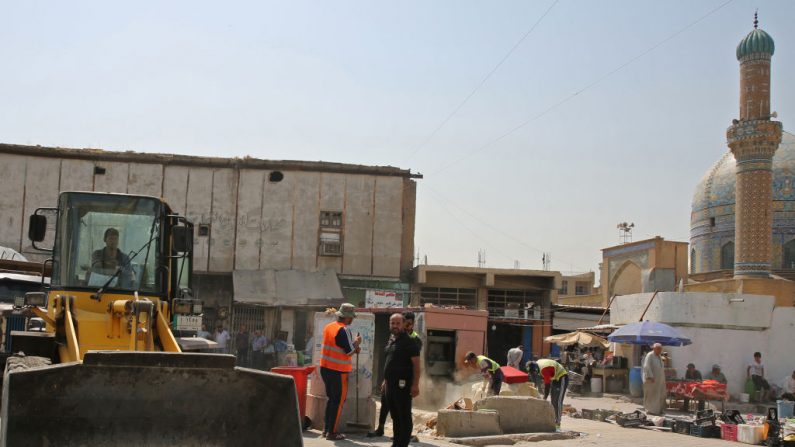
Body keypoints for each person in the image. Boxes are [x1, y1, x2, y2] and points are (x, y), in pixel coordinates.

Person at [369, 311, 423, 439]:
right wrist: (385, 379)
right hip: (390, 381)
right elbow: (390, 360)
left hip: (403, 382)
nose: (406, 326)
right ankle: (381, 428)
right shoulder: (394, 337)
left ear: (411, 324)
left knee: (403, 409)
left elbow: (414, 364)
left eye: (408, 324)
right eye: (393, 323)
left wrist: (415, 384)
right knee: (385, 403)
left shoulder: (414, 340)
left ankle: (403, 434)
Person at [319, 303, 361, 441]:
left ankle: (326, 429)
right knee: (337, 401)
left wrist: (354, 347)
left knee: (331, 399)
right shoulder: (344, 330)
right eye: (352, 317)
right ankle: (332, 432)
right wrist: (357, 343)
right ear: (348, 317)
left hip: (325, 368)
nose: (352, 319)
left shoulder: (328, 327)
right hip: (338, 370)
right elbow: (349, 351)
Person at [530, 358, 569, 429]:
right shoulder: (537, 364)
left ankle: (558, 423)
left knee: (558, 401)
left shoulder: (544, 369)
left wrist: (544, 397)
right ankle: (553, 420)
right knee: (553, 401)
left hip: (562, 377)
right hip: (554, 378)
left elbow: (547, 385)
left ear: (535, 369)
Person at [642, 343, 667, 415]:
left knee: (660, 395)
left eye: (660, 349)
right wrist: (650, 376)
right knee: (651, 395)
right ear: (654, 348)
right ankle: (650, 410)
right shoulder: (650, 355)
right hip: (651, 380)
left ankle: (658, 410)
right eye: (658, 349)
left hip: (659, 380)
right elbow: (647, 366)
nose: (660, 350)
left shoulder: (659, 356)